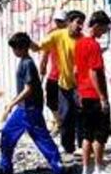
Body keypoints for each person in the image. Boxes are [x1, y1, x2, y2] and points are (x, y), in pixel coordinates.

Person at [0, 32, 68, 174]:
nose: (13, 52)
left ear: (21, 49)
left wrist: (11, 103)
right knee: (7, 134)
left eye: (15, 48)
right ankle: (5, 168)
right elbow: (34, 46)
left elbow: (29, 89)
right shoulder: (24, 60)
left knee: (42, 139)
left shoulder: (27, 64)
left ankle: (59, 170)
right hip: (23, 109)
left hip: (30, 109)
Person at [74, 10, 111, 174]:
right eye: (105, 28)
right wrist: (103, 98)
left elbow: (76, 70)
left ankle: (86, 172)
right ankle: (99, 169)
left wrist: (78, 91)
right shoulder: (93, 45)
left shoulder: (79, 43)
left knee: (86, 135)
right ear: (97, 25)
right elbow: (94, 72)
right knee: (99, 135)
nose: (105, 32)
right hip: (94, 95)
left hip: (84, 94)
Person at [34, 10, 86, 155]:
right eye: (78, 22)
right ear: (69, 22)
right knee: (65, 114)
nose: (80, 26)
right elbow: (40, 47)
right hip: (63, 83)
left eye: (82, 23)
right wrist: (26, 43)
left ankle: (82, 145)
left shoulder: (82, 40)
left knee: (81, 114)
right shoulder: (56, 35)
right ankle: (67, 146)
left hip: (79, 84)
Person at [39, 9, 68, 134]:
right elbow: (45, 51)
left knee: (68, 102)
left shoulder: (70, 34)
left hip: (68, 74)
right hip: (54, 73)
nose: (58, 23)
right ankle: (59, 122)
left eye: (61, 21)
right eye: (57, 21)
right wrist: (43, 64)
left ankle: (66, 125)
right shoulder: (51, 34)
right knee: (51, 100)